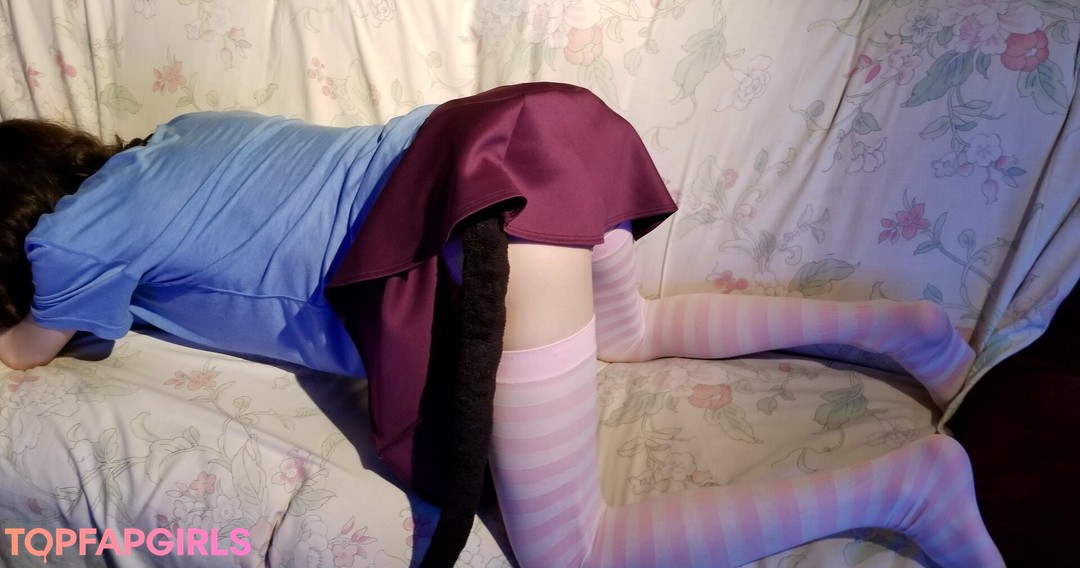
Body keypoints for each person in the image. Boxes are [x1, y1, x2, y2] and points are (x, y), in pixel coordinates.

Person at [0, 83, 1002, 567]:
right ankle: (908, 332)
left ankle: (905, 488)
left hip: (478, 234)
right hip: (534, 139)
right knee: (632, 331)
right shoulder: (181, 134)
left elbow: (21, 355)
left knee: (573, 552)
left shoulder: (69, 241)